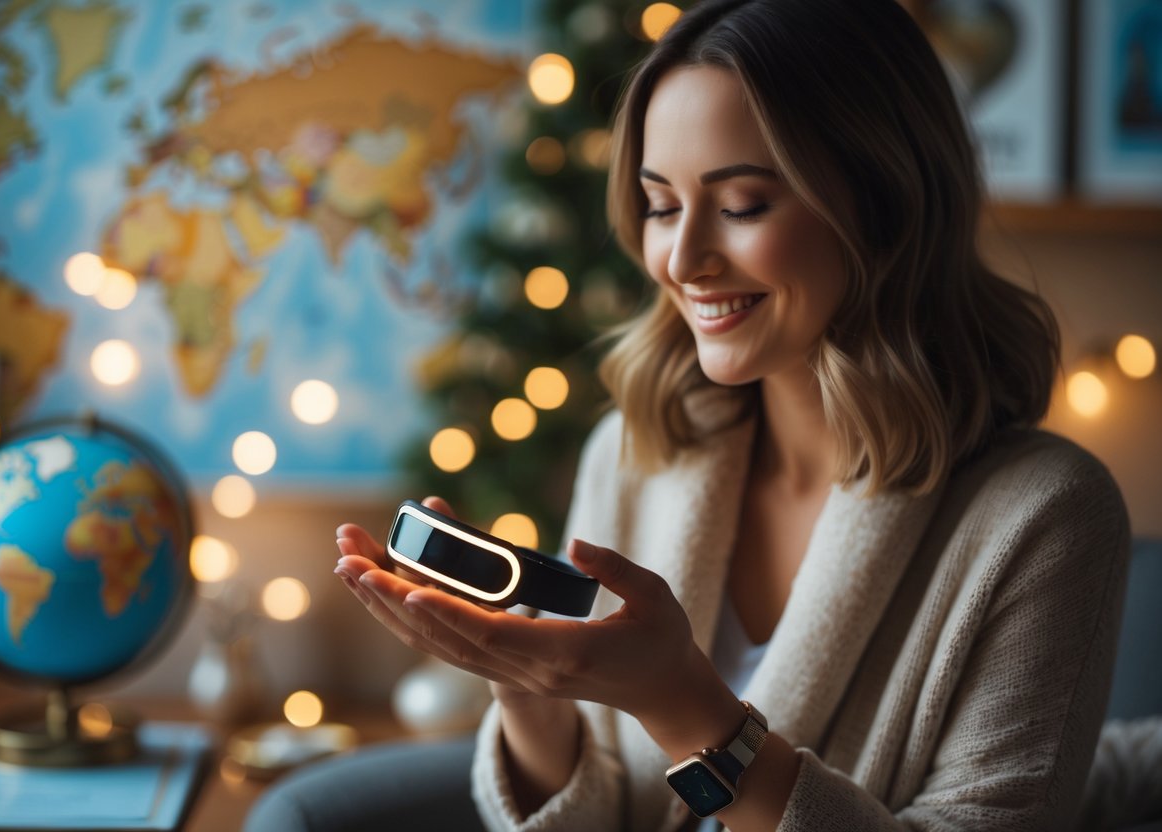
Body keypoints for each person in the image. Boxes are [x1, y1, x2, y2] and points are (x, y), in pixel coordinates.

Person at [247, 0, 1130, 829]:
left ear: (885, 202)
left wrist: (683, 707)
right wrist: (523, 684)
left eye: (742, 205)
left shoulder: (1044, 515)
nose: (683, 257)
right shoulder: (635, 452)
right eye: (661, 205)